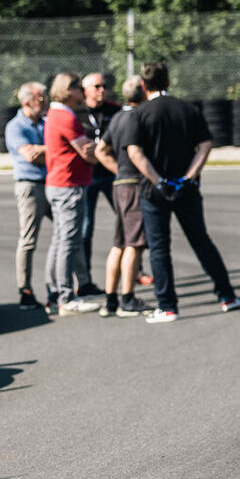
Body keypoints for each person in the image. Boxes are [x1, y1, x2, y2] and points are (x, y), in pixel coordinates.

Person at [125, 61, 240, 323]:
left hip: (154, 192)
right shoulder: (187, 109)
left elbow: (135, 152)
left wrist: (158, 180)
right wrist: (189, 176)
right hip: (186, 189)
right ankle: (227, 296)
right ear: (168, 82)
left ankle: (167, 306)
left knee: (159, 248)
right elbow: (205, 144)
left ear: (143, 86)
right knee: (201, 241)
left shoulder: (140, 114)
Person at [43, 72, 101, 314]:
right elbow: (87, 153)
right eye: (79, 87)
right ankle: (65, 297)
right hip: (68, 186)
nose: (83, 91)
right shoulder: (66, 117)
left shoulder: (55, 114)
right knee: (67, 241)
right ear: (69, 90)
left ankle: (56, 291)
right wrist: (99, 149)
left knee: (61, 240)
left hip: (60, 184)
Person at [94, 75, 150, 317]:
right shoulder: (139, 117)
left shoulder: (117, 117)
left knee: (119, 242)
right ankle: (127, 298)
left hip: (119, 184)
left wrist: (118, 169)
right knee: (134, 244)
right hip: (134, 185)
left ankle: (110, 300)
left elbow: (100, 150)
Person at [5, 82, 49, 308]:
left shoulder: (45, 122)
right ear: (27, 102)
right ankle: (25, 289)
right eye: (40, 98)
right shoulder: (15, 127)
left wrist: (45, 152)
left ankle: (76, 283)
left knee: (70, 233)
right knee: (28, 239)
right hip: (30, 186)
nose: (44, 101)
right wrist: (54, 151)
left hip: (52, 183)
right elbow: (31, 155)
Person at [77, 72, 119, 271]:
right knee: (85, 228)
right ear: (85, 91)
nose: (102, 90)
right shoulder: (76, 113)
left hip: (112, 173)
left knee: (128, 220)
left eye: (104, 86)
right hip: (88, 177)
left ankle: (135, 269)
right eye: (97, 87)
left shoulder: (115, 111)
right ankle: (85, 277)